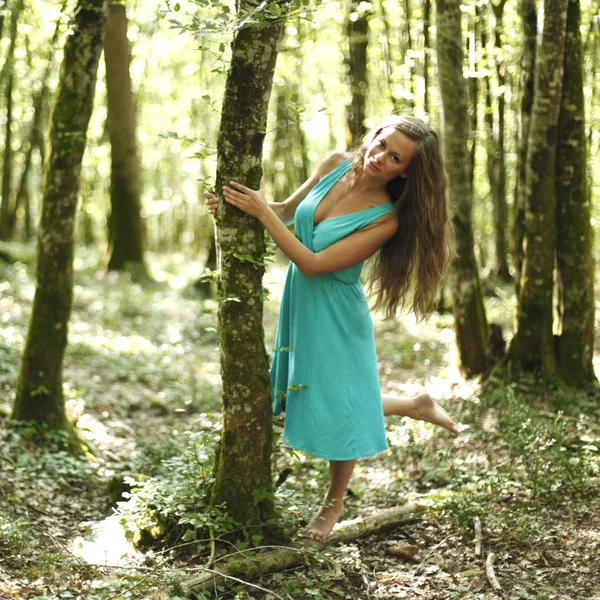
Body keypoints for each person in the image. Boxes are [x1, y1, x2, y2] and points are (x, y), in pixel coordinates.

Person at [205, 115, 457, 543]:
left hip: (337, 313)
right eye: (381, 144)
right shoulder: (336, 163)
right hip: (301, 302)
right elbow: (286, 212)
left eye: (394, 157)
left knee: (340, 404)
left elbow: (314, 263)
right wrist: (241, 206)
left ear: (406, 170)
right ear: (374, 135)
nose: (379, 157)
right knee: (320, 394)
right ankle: (414, 403)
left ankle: (333, 504)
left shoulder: (385, 220)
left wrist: (262, 213)